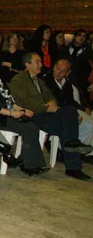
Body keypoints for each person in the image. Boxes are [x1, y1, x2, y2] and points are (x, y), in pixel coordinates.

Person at [8, 52, 92, 180]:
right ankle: (73, 166)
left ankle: (73, 156)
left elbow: (50, 96)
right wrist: (46, 107)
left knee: (70, 111)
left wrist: (52, 102)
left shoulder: (40, 81)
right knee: (68, 129)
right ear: (27, 64)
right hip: (32, 115)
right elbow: (23, 102)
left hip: (45, 115)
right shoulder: (18, 80)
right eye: (37, 62)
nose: (41, 64)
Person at [0, 53, 49, 176]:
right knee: (28, 129)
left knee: (33, 127)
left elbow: (9, 101)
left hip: (7, 114)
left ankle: (26, 161)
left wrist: (23, 110)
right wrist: (13, 114)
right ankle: (29, 164)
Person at [43, 58, 93, 147]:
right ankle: (65, 147)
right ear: (54, 67)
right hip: (56, 111)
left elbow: (70, 101)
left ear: (67, 73)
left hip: (70, 109)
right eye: (58, 69)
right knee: (87, 125)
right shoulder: (46, 80)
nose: (59, 73)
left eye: (63, 71)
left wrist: (83, 108)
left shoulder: (67, 83)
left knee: (90, 123)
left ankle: (79, 147)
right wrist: (74, 114)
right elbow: (51, 101)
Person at [61, 29, 92, 96]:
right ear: (74, 37)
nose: (81, 38)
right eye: (79, 35)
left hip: (83, 85)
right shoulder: (64, 50)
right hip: (66, 83)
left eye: (84, 36)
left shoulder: (88, 52)